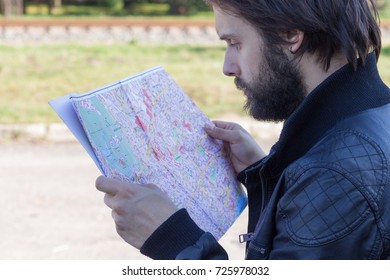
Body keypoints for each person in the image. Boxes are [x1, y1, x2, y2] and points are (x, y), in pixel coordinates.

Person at [95, 0, 390, 259]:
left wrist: (173, 241)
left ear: (290, 35)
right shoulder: (373, 116)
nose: (228, 67)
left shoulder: (334, 174)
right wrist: (267, 173)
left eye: (235, 43)